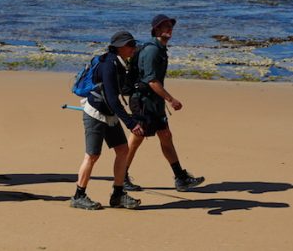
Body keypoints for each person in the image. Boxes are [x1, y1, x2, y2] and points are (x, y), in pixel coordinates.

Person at [125, 14, 205, 192]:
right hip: (143, 102)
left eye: (170, 26)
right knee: (136, 138)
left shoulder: (160, 49)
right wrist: (171, 99)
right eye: (165, 26)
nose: (169, 29)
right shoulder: (152, 50)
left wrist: (163, 100)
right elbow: (152, 81)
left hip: (154, 102)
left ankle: (180, 178)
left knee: (166, 136)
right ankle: (121, 176)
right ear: (156, 30)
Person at [70, 31, 145, 211]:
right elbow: (113, 99)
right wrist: (131, 123)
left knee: (122, 150)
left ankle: (117, 195)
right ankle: (78, 196)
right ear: (119, 47)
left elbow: (118, 92)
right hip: (95, 113)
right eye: (130, 45)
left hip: (109, 114)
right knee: (92, 155)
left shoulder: (118, 62)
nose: (133, 48)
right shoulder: (109, 65)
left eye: (133, 44)